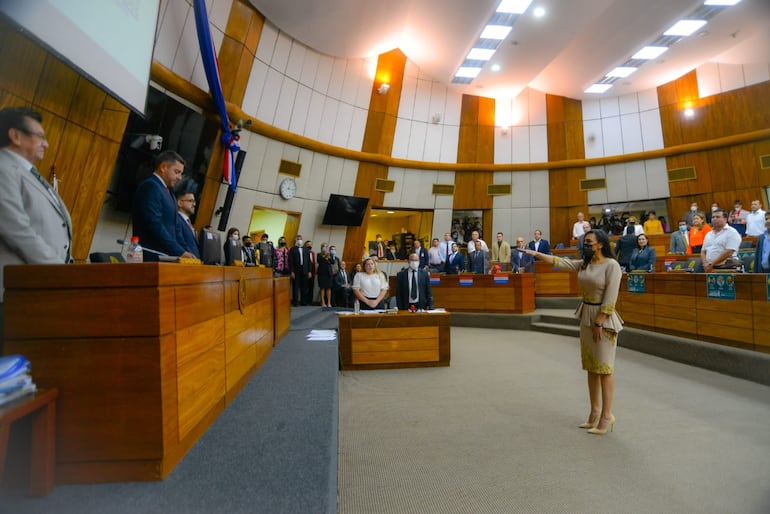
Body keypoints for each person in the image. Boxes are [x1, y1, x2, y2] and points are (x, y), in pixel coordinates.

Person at [524, 229, 623, 435]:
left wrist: (600, 322)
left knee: (605, 368)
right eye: (584, 241)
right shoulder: (585, 263)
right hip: (586, 314)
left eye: (588, 242)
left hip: (602, 320)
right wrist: (538, 255)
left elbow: (611, 296)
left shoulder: (611, 266)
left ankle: (607, 415)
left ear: (600, 244)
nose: (585, 245)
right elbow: (561, 263)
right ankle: (594, 412)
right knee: (591, 366)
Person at [0, 107, 73, 354]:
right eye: (39, 137)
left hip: (34, 289)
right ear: (15, 136)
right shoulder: (3, 168)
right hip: (10, 292)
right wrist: (58, 272)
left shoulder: (28, 172)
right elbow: (17, 230)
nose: (46, 144)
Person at [132, 150, 195, 261]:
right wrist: (179, 251)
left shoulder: (169, 192)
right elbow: (155, 225)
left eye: (181, 173)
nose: (180, 177)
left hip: (168, 257)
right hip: (151, 257)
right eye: (177, 172)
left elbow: (176, 228)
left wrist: (186, 251)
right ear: (163, 167)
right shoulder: (150, 186)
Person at [174, 189, 200, 258]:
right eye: (190, 201)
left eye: (194, 201)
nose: (194, 204)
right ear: (180, 203)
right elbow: (180, 243)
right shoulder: (177, 220)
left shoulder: (188, 223)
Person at [289, 234, 311, 306]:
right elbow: (290, 261)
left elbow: (309, 261)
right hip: (296, 271)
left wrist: (309, 271)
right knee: (295, 287)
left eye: (300, 239)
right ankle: (295, 302)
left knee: (304, 287)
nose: (299, 240)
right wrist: (292, 271)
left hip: (304, 270)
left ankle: (303, 302)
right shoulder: (292, 249)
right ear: (296, 240)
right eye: (298, 239)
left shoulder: (306, 249)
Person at [316, 243, 334, 308]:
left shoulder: (330, 254)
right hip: (322, 273)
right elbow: (319, 261)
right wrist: (324, 256)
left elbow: (333, 262)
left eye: (326, 247)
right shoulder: (319, 254)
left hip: (328, 273)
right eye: (324, 247)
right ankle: (323, 302)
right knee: (322, 288)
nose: (325, 248)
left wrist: (328, 256)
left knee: (329, 288)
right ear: (321, 248)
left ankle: (329, 302)